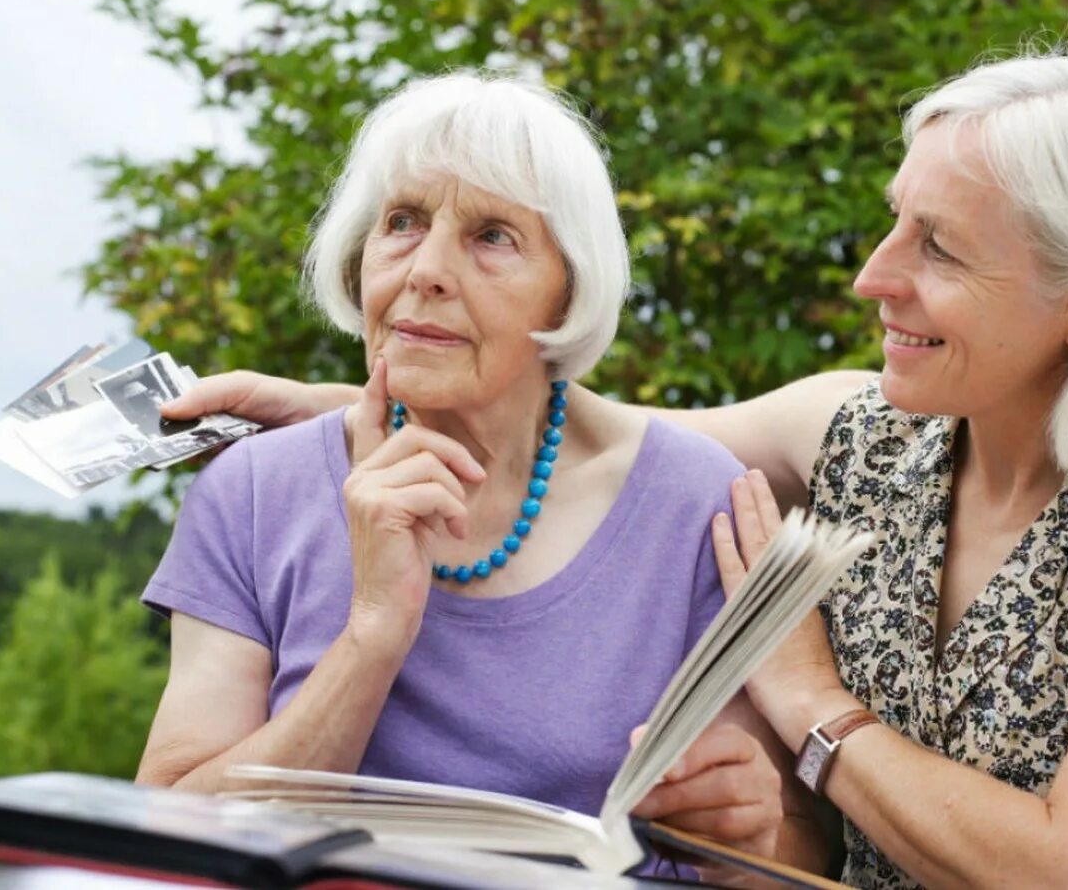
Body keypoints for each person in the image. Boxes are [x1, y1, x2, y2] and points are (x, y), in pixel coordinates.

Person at [166, 49, 1068, 888]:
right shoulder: (860, 428)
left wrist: (811, 708)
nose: (874, 276)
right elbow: (580, 429)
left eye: (935, 246)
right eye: (892, 221)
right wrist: (345, 403)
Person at [136, 71, 826, 878]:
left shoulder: (696, 502)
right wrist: (371, 634)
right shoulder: (255, 490)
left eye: (492, 235)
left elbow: (798, 853)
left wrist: (744, 850)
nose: (426, 267)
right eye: (402, 221)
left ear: (569, 290)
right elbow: (169, 844)